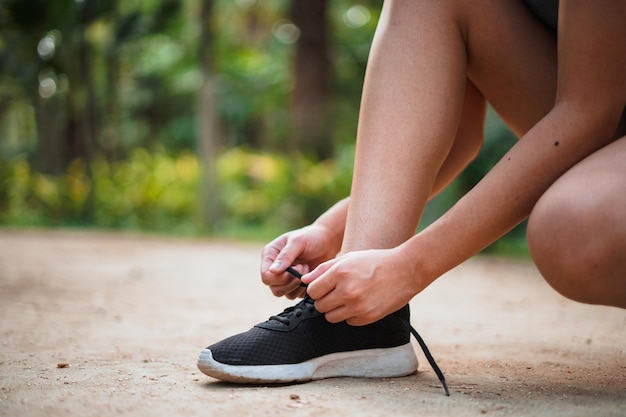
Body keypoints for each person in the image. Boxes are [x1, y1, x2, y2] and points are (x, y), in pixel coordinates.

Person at [197, 0, 626, 391]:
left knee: (572, 229)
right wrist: (336, 229)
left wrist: (410, 268)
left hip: (601, 108)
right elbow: (454, 135)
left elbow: (591, 110)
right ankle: (355, 325)